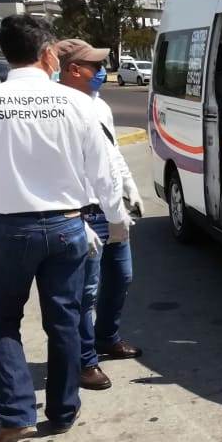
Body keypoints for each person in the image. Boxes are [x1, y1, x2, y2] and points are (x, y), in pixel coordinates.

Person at [0, 15, 128, 442]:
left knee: (2, 319)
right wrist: (117, 219)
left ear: (4, 53)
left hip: (10, 229)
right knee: (65, 321)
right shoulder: (78, 104)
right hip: (69, 226)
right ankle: (63, 410)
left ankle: (15, 414)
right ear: (49, 53)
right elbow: (102, 171)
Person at [56, 39, 143, 391]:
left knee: (121, 277)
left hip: (110, 208)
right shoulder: (60, 108)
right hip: (81, 213)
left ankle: (107, 337)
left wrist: (128, 186)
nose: (103, 71)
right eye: (95, 66)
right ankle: (85, 361)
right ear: (72, 69)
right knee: (85, 293)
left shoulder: (100, 105)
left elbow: (112, 153)